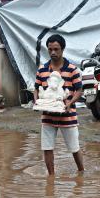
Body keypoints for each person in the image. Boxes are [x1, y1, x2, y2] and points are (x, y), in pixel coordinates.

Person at [34, 34, 84, 176]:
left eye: (56, 49)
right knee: (47, 147)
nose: (53, 52)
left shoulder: (72, 69)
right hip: (48, 116)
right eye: (50, 49)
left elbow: (79, 90)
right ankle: (51, 176)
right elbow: (36, 89)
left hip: (68, 116)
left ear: (62, 49)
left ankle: (81, 172)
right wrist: (37, 101)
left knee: (74, 147)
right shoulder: (42, 70)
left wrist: (70, 102)